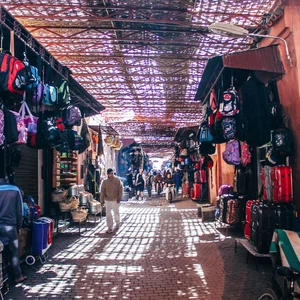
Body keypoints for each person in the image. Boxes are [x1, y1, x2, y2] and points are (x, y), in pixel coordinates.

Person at [0, 173, 27, 283]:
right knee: (13, 252)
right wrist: (19, 226)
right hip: (10, 226)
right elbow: (20, 211)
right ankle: (17, 276)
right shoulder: (15, 190)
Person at [100, 168, 123, 234]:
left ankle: (118, 222)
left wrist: (119, 197)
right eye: (110, 174)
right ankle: (110, 227)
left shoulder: (117, 180)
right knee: (108, 214)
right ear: (108, 174)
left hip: (115, 200)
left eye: (112, 173)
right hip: (107, 200)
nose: (111, 175)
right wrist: (102, 201)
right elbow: (102, 192)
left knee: (116, 212)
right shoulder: (105, 182)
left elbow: (121, 189)